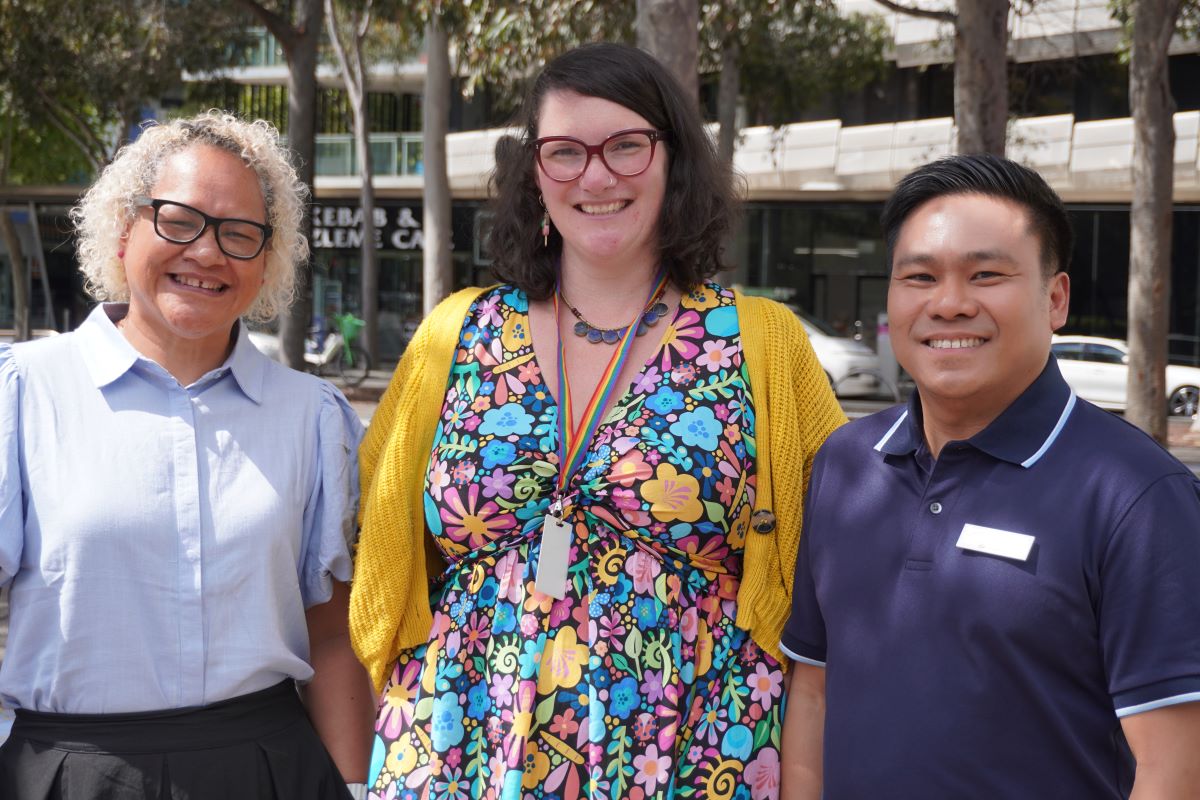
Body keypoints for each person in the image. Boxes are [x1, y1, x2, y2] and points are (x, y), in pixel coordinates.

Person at [350, 43, 845, 798]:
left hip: (694, 746)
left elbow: (838, 566)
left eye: (626, 145)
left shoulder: (762, 344)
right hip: (459, 742)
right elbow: (382, 545)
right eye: (565, 152)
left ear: (673, 158)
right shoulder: (455, 335)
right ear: (534, 172)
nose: (597, 175)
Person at [780, 154, 1200, 798]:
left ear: (1055, 297)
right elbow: (813, 691)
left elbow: (1175, 767)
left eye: (986, 275)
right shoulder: (845, 465)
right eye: (919, 276)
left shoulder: (1136, 495)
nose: (949, 304)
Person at [0, 111, 374, 799]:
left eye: (239, 234)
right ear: (122, 231)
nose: (207, 252)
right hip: (68, 772)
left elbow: (331, 636)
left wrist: (352, 786)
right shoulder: (22, 393)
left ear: (267, 263)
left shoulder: (314, 419)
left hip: (268, 770)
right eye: (179, 220)